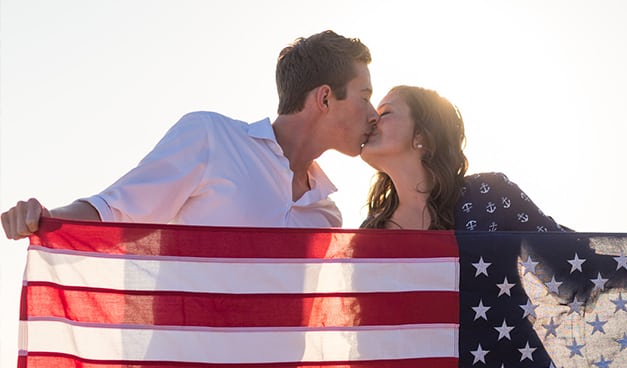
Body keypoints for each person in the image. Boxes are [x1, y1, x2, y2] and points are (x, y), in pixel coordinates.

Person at [1, 30, 378, 238]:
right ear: (325, 98)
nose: (373, 115)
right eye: (365, 98)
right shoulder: (211, 139)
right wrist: (49, 218)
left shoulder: (327, 216)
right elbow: (116, 209)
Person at [360, 85, 627, 274]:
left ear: (422, 136)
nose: (373, 120)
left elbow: (576, 259)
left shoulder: (487, 196)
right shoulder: (369, 233)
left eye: (386, 112)